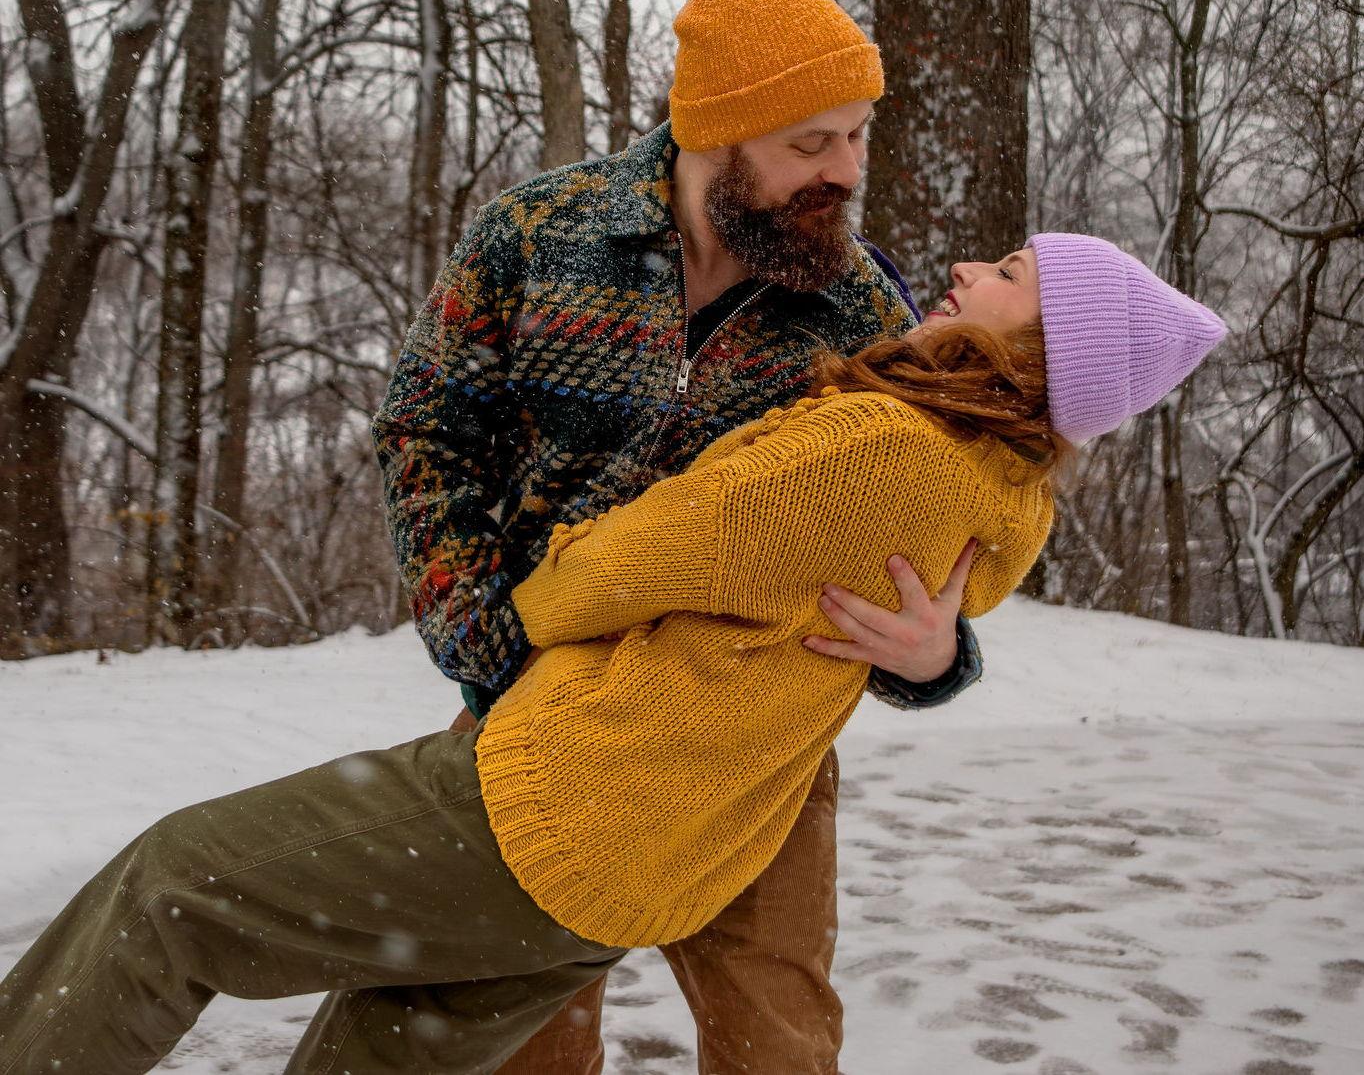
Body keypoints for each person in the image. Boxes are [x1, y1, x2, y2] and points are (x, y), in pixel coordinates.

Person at [0, 233, 1226, 1075]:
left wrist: (525, 605)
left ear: (1048, 352)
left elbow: (660, 551)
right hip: (641, 853)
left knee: (168, 893)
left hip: (573, 791)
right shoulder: (998, 480)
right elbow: (434, 414)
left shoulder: (883, 416)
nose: (961, 269)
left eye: (1006, 273)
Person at [373, 0, 989, 1075]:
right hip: (536, 710)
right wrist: (480, 636)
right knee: (513, 1045)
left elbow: (931, 521)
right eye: (812, 142)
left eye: (858, 136)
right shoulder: (537, 234)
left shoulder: (857, 308)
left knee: (777, 1048)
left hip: (756, 744)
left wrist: (935, 653)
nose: (846, 171)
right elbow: (426, 431)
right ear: (718, 136)